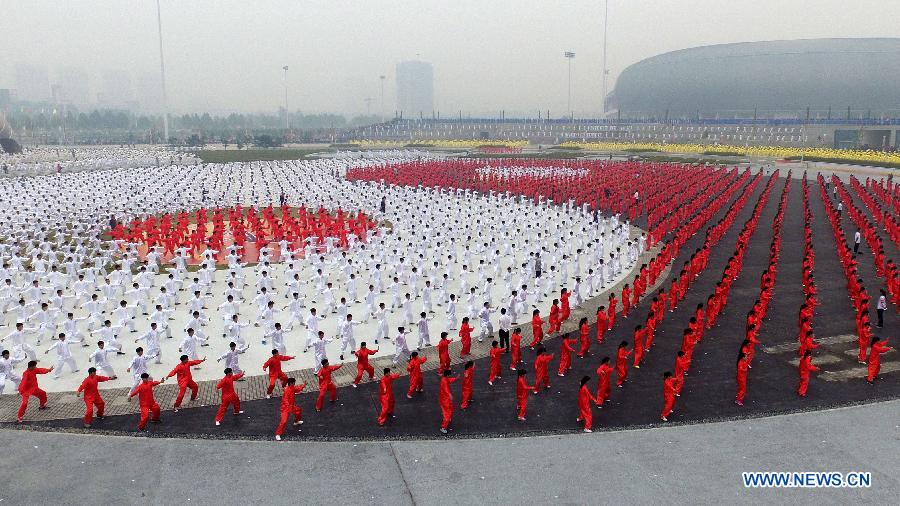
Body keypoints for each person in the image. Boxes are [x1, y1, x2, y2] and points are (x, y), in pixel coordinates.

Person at [438, 369, 458, 433]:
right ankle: (443, 427)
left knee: (450, 409)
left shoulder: (444, 379)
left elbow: (449, 380)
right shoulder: (444, 380)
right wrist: (450, 395)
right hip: (445, 400)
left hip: (445, 399)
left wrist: (455, 378)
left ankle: (448, 419)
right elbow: (446, 389)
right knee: (447, 412)